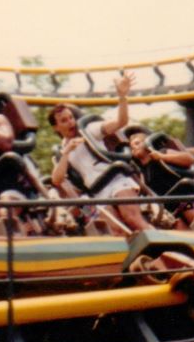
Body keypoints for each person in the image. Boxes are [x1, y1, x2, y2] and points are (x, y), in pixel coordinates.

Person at [49, 72, 154, 233]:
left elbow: (121, 122)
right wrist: (66, 153)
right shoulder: (63, 150)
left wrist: (122, 97)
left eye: (71, 118)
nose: (70, 122)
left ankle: (162, 247)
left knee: (132, 219)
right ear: (56, 127)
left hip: (115, 180)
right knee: (117, 231)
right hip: (97, 192)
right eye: (64, 120)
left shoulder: (89, 131)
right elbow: (57, 180)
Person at [127, 130, 194, 231]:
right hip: (169, 207)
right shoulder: (141, 171)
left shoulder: (162, 152)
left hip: (185, 195)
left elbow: (189, 159)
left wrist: (162, 157)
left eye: (137, 143)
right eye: (131, 147)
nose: (134, 148)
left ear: (146, 142)